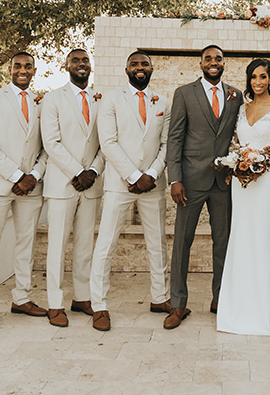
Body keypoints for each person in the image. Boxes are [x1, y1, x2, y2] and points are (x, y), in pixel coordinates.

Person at [90, 51, 171, 331]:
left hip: (153, 183)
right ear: (126, 69)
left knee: (157, 243)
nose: (140, 67)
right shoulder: (111, 99)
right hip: (119, 183)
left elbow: (166, 145)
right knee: (106, 244)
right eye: (134, 64)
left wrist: (150, 175)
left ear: (152, 68)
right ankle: (99, 305)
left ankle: (160, 297)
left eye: (144, 64)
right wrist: (134, 175)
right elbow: (108, 142)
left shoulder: (164, 102)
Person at [165, 45, 243, 329]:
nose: (213, 63)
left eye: (218, 59)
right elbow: (175, 138)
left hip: (223, 182)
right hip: (190, 181)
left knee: (223, 243)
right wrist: (175, 179)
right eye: (208, 59)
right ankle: (178, 304)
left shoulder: (236, 95)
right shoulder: (184, 93)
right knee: (182, 244)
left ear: (224, 64)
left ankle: (219, 299)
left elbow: (237, 133)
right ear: (200, 63)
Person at [0, 52, 48, 335]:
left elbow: (46, 145)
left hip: (31, 186)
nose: (23, 70)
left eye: (28, 66)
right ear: (9, 69)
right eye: (18, 66)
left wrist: (34, 176)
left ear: (35, 70)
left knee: (26, 244)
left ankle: (22, 297)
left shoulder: (42, 102)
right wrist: (17, 176)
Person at [215, 58, 270, 335]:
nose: (257, 82)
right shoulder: (242, 108)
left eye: (262, 77)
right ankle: (237, 306)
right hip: (241, 182)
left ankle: (263, 307)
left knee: (261, 236)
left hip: (263, 181)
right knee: (241, 236)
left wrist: (261, 165)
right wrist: (237, 161)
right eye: (253, 78)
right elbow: (235, 142)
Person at [40, 49, 104, 327]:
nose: (82, 64)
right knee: (56, 246)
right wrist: (78, 172)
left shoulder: (101, 100)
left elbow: (105, 142)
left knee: (84, 246)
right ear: (66, 66)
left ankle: (82, 297)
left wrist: (93, 170)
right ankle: (55, 303)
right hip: (62, 183)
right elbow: (50, 142)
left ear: (91, 66)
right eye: (76, 60)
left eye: (85, 60)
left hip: (91, 184)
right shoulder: (53, 99)